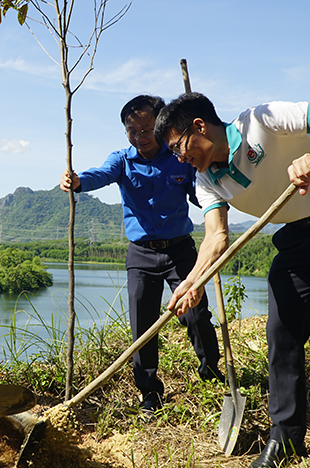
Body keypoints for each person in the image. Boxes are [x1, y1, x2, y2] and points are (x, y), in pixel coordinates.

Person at [156, 92, 310, 468]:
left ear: (199, 127)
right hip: (296, 237)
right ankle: (285, 438)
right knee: (282, 333)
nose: (179, 158)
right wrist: (193, 281)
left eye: (178, 146)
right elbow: (215, 238)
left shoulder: (262, 120)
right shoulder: (207, 180)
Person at [59, 94, 223, 417]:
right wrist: (77, 181)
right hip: (141, 255)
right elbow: (99, 175)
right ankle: (149, 393)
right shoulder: (122, 160)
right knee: (143, 327)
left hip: (180, 251)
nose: (139, 138)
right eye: (132, 131)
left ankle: (211, 374)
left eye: (146, 130)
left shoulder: (180, 157)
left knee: (196, 314)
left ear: (160, 126)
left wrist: (216, 199)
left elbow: (201, 193)